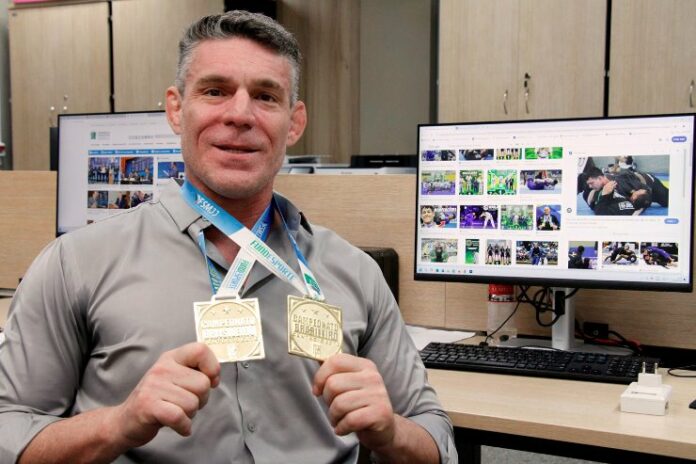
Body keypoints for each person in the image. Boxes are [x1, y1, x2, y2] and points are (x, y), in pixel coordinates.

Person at [0, 11, 456, 464]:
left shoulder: (355, 272)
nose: (240, 115)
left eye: (265, 96)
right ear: (176, 109)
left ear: (294, 122)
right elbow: (9, 429)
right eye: (215, 91)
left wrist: (391, 431)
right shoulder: (77, 264)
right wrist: (119, 424)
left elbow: (436, 438)